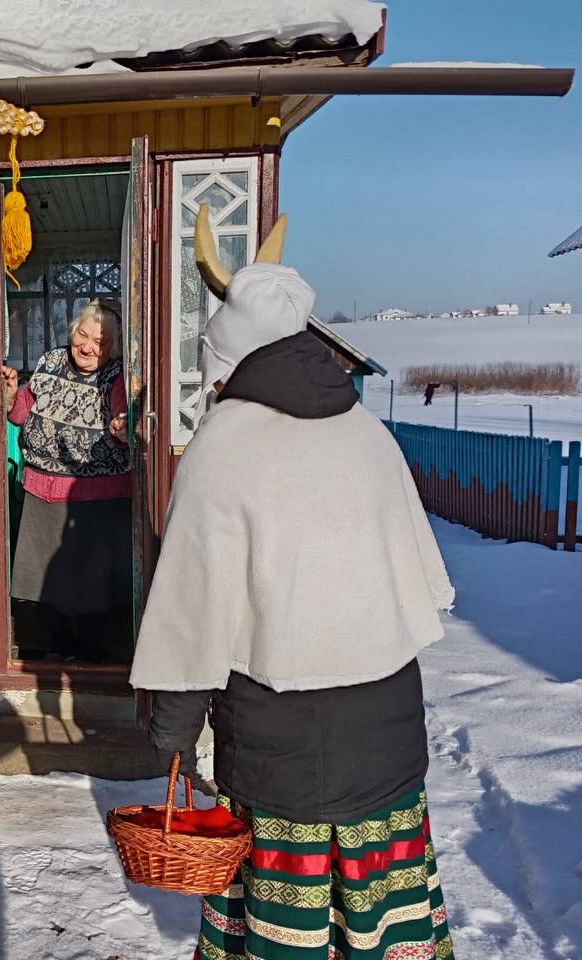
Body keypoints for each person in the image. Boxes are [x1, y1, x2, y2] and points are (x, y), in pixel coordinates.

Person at [131, 257, 456, 960]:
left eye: (214, 364)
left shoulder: (223, 446)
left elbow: (195, 616)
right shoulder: (368, 433)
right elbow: (420, 585)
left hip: (280, 754)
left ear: (233, 359)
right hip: (388, 743)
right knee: (380, 932)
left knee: (288, 939)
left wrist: (173, 735)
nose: (213, 381)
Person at [1, 298, 131, 662]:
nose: (87, 347)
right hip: (42, 490)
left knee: (92, 581)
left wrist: (123, 427)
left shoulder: (117, 375)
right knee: (39, 577)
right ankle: (40, 646)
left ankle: (96, 653)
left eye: (99, 343)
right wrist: (11, 395)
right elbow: (20, 414)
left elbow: (126, 418)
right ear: (73, 332)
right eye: (83, 336)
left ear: (112, 349)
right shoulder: (50, 362)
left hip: (100, 496)